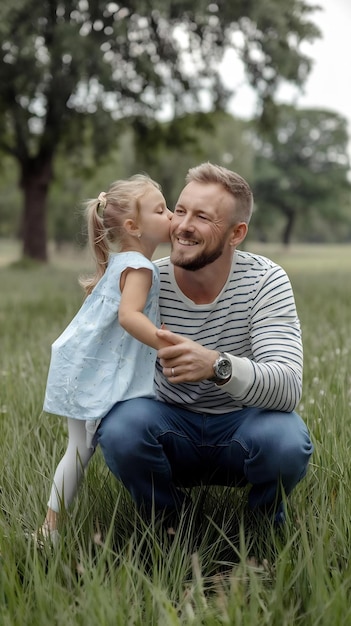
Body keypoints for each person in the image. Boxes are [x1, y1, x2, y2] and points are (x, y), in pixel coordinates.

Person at [97, 162, 313, 528]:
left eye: (202, 217)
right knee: (121, 429)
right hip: (166, 422)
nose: (182, 225)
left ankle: (260, 527)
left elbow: (288, 386)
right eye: (179, 211)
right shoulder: (145, 281)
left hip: (243, 425)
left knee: (287, 441)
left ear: (236, 233)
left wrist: (217, 366)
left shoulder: (266, 281)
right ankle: (170, 524)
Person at [37, 174, 173, 543]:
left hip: (78, 364)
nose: (172, 215)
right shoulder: (142, 268)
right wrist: (165, 343)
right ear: (133, 226)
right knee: (81, 449)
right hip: (95, 372)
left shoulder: (121, 261)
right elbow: (129, 317)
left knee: (76, 451)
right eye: (161, 210)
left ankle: (50, 529)